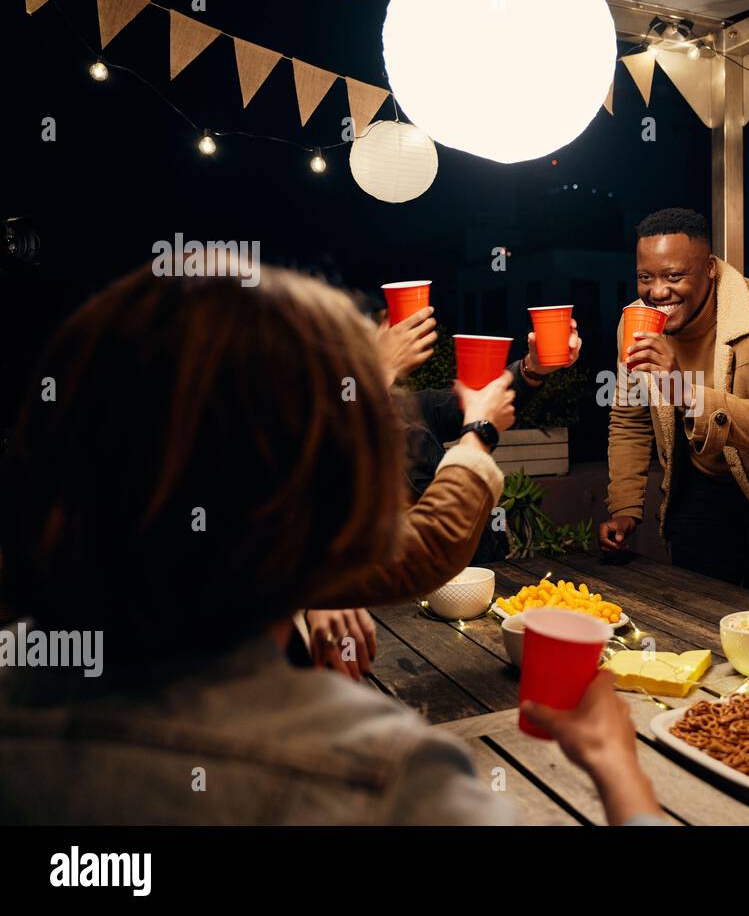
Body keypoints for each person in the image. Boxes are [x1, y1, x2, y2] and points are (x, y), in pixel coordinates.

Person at [0, 263, 663, 824]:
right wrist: (620, 777)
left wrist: (529, 371)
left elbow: (465, 405)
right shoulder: (393, 783)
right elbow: (430, 530)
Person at [302, 302, 583, 677]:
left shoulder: (410, 407)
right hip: (393, 615)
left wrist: (532, 369)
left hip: (472, 594)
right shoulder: (320, 433)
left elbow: (478, 400)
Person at [599, 208, 749, 601]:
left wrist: (685, 393)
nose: (658, 291)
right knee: (698, 613)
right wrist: (625, 506)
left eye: (674, 276)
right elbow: (629, 418)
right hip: (701, 484)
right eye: (646, 277)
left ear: (710, 268)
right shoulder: (636, 322)